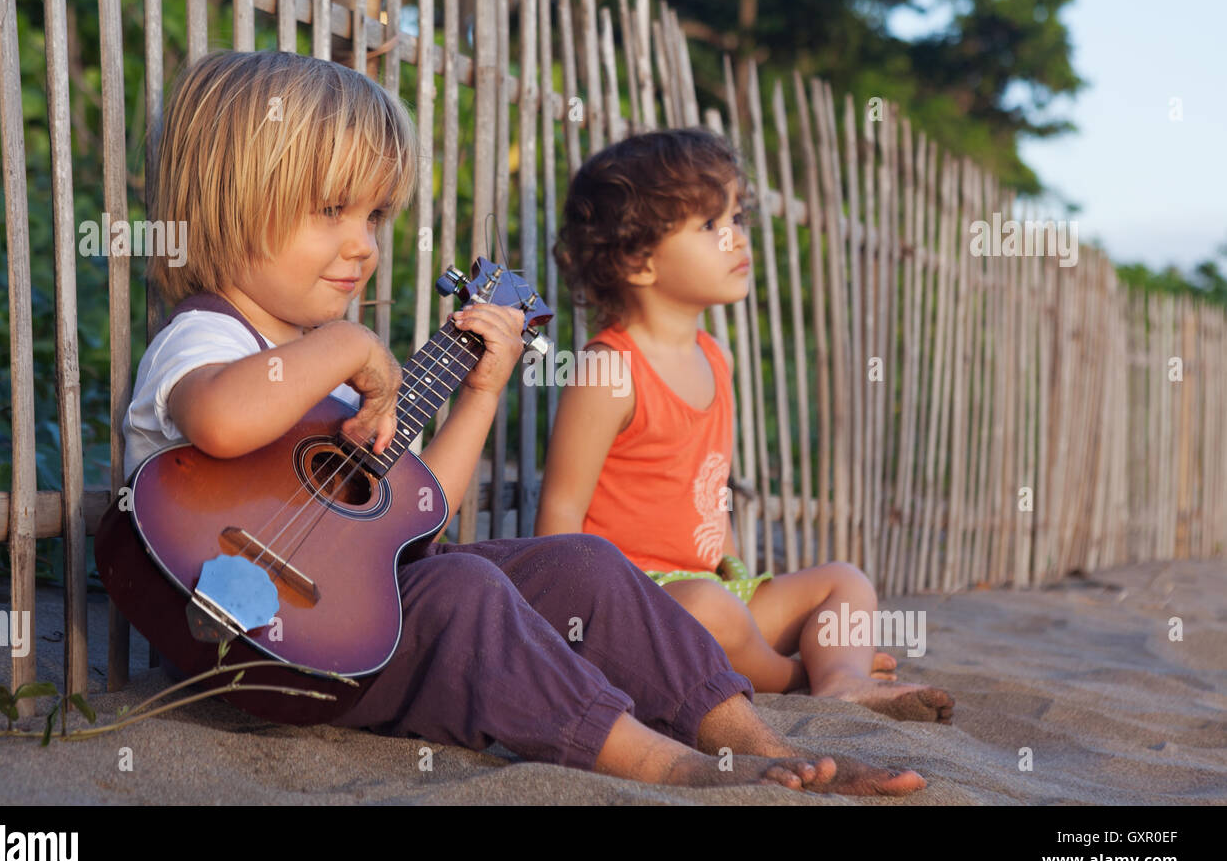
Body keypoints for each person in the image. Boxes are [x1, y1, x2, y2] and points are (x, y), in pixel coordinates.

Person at [119, 49, 927, 794]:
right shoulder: (211, 334)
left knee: (583, 562)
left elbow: (414, 508)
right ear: (229, 203)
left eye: (375, 217)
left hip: (351, 619)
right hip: (258, 644)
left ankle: (756, 741)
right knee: (464, 587)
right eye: (332, 209)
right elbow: (223, 422)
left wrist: (481, 391)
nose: (363, 246)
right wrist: (348, 344)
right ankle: (668, 765)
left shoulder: (325, 373)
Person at [536, 127, 954, 723]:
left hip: (714, 587)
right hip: (637, 607)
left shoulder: (716, 358)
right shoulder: (609, 370)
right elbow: (559, 516)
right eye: (709, 225)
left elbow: (708, 490)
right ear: (637, 260)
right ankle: (798, 673)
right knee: (710, 611)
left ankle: (841, 680)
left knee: (845, 581)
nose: (736, 236)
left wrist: (740, 575)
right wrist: (568, 632)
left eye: (736, 214)